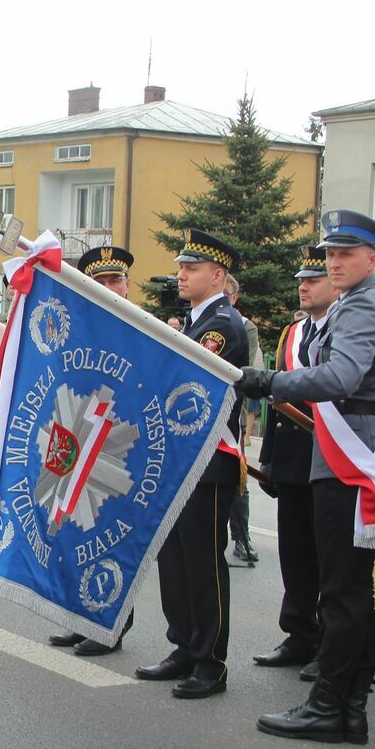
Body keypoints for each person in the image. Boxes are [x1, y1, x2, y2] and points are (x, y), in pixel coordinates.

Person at [237, 209, 375, 744]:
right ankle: (347, 706)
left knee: (343, 588)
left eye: (345, 255)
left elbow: (341, 376)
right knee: (351, 585)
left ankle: (331, 704)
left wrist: (268, 381)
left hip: (349, 455)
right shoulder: (364, 301)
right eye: (330, 254)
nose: (334, 263)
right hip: (352, 449)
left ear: (372, 259)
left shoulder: (363, 306)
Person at [136, 229, 247, 699]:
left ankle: (210, 662)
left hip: (209, 462)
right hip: (181, 460)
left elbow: (188, 380)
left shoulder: (223, 325)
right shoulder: (196, 323)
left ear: (218, 276)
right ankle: (182, 644)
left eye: (193, 268)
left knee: (202, 563)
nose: (181, 274)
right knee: (174, 559)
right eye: (181, 267)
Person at [48, 245, 137, 656]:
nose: (107, 288)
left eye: (114, 281)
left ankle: (109, 625)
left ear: (127, 285)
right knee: (77, 533)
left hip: (118, 450)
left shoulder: (142, 330)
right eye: (98, 282)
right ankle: (79, 616)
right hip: (79, 445)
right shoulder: (80, 329)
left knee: (111, 539)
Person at [253, 246, 330, 679]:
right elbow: (274, 406)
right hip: (294, 458)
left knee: (327, 557)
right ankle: (299, 632)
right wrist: (270, 462)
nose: (303, 286)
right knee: (295, 553)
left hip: (329, 456)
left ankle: (328, 642)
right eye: (301, 279)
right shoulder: (293, 333)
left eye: (313, 280)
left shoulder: (340, 329)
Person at [224, 274, 260, 564]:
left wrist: (245, 422)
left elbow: (244, 371)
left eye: (226, 295)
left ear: (234, 297)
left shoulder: (245, 327)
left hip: (232, 410)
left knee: (239, 478)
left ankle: (241, 536)